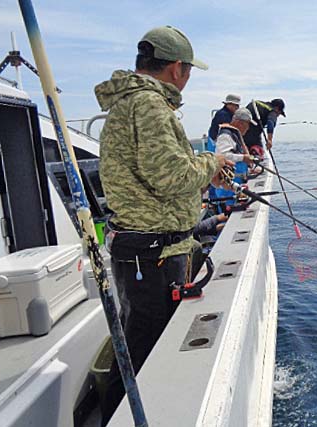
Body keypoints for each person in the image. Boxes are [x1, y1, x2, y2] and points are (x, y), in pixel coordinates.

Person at [94, 25, 232, 425]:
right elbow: (171, 176)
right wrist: (213, 164)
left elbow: (160, 170)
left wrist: (205, 172)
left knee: (140, 343)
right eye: (188, 70)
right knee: (145, 352)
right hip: (151, 256)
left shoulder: (133, 103)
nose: (187, 78)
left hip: (146, 252)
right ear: (176, 68)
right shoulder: (150, 106)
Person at [211, 107, 256, 209]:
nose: (248, 128)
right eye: (247, 124)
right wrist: (244, 158)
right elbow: (222, 156)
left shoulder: (233, 135)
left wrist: (249, 169)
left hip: (236, 186)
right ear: (239, 122)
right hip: (227, 189)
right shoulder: (225, 136)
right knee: (227, 213)